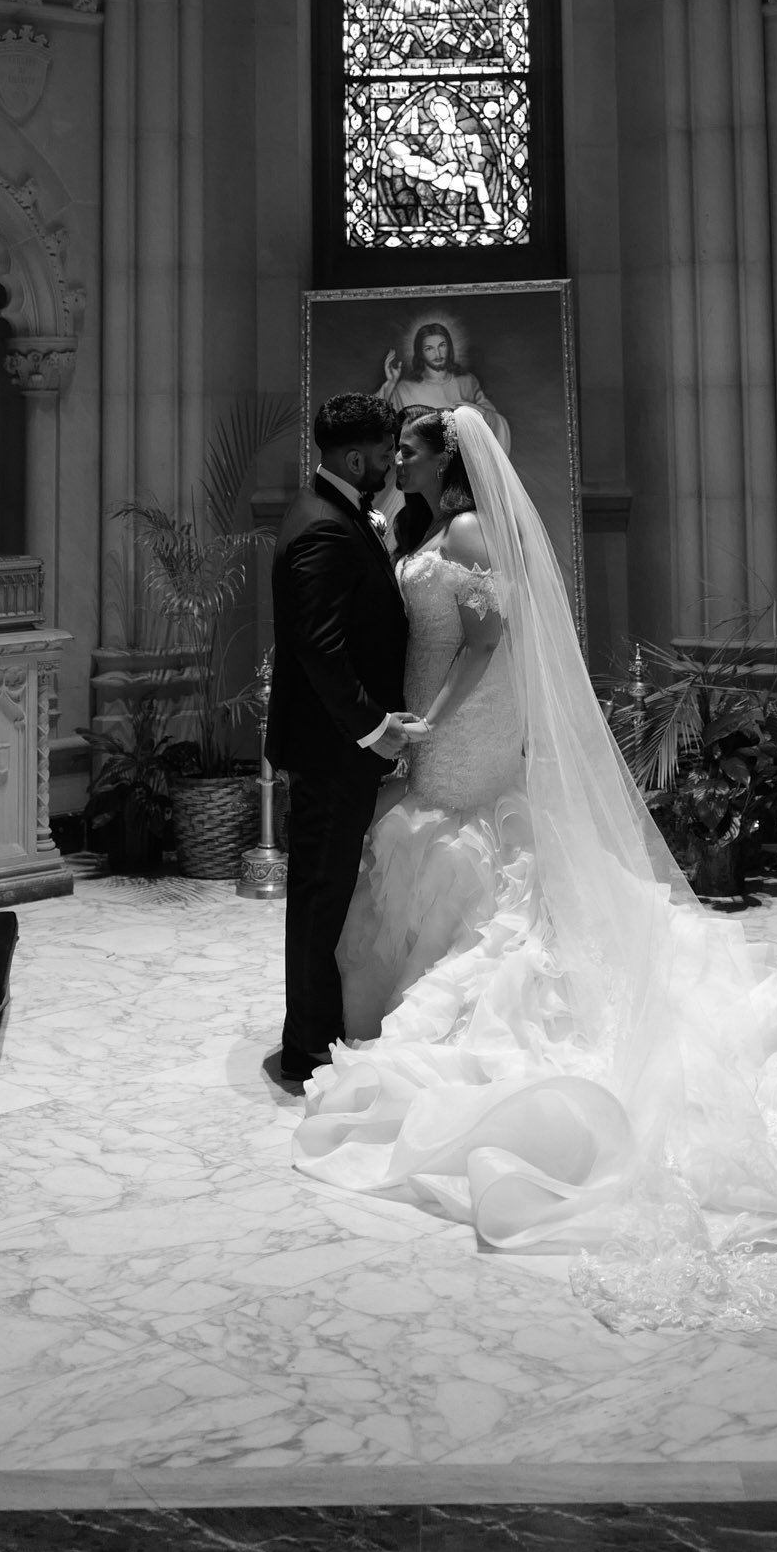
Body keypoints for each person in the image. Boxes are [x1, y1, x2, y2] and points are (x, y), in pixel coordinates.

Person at [296, 404, 777, 1333]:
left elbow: (489, 644)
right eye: (396, 444)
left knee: (460, 832)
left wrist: (431, 720)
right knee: (435, 835)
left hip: (463, 718)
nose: (396, 457)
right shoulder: (421, 527)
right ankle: (418, 974)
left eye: (410, 446)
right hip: (426, 710)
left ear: (450, 460)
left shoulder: (473, 529)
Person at [262, 393, 428, 1096]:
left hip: (338, 746)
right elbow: (320, 649)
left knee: (325, 891)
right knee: (320, 893)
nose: (393, 463)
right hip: (335, 749)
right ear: (355, 457)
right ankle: (305, 1046)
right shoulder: (323, 530)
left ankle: (318, 1026)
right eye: (387, 452)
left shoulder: (334, 513)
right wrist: (376, 728)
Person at [380, 313, 510, 450]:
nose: (438, 354)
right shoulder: (404, 389)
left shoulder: (467, 382)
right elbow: (380, 425)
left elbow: (495, 422)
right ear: (420, 353)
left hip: (462, 459)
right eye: (429, 348)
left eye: (442, 346)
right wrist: (389, 384)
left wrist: (479, 414)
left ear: (449, 347)